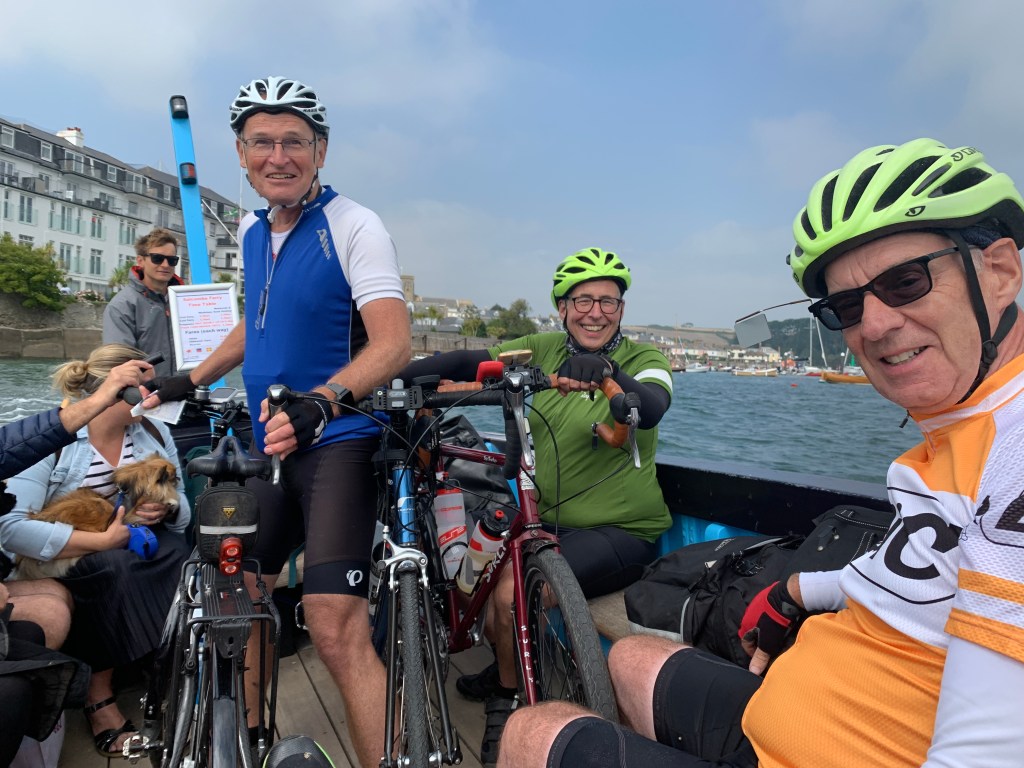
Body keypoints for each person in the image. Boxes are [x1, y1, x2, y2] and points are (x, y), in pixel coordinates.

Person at [498, 138, 1024, 768]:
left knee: (531, 733)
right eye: (846, 306)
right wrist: (801, 588)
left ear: (1000, 272)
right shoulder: (955, 439)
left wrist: (611, 383)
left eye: (906, 282)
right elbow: (930, 575)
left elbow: (983, 749)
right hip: (818, 705)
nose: (876, 325)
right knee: (633, 659)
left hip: (835, 745)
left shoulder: (1013, 451)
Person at [143, 76, 411, 768]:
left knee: (332, 625)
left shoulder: (355, 225)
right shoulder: (252, 228)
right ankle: (250, 740)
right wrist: (188, 378)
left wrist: (323, 401)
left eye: (294, 141)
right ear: (241, 153)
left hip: (339, 443)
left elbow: (393, 344)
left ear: (320, 150)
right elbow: (254, 323)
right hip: (271, 445)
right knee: (237, 591)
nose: (278, 156)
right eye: (262, 142)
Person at [400, 247, 673, 764]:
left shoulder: (644, 359)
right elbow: (467, 363)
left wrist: (610, 371)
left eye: (609, 302)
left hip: (621, 531)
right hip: (543, 522)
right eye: (583, 300)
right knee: (476, 576)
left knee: (511, 596)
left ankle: (507, 701)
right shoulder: (541, 349)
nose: (596, 312)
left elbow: (652, 404)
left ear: (622, 309)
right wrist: (397, 377)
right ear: (562, 307)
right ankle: (507, 664)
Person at [2, 343, 191, 756]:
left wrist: (165, 508)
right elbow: (11, 529)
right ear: (114, 389)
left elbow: (183, 514)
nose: (155, 397)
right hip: (64, 552)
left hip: (127, 538)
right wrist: (103, 540)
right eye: (146, 388)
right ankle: (98, 695)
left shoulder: (153, 433)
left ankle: (164, 667)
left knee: (179, 552)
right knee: (114, 567)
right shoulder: (52, 440)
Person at [103, 227, 184, 378]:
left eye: (172, 260)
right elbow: (119, 362)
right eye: (157, 258)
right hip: (146, 390)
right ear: (141, 261)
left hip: (186, 388)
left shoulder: (185, 301)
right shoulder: (122, 306)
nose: (165, 265)